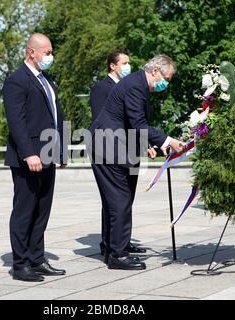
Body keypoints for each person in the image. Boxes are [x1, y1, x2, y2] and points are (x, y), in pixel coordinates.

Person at [89, 54, 185, 270]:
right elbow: (138, 123)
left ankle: (117, 245)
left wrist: (151, 144)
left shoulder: (138, 84)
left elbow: (133, 124)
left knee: (121, 200)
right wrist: (167, 140)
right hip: (108, 149)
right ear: (155, 71)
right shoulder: (135, 85)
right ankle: (117, 255)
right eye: (166, 79)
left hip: (121, 147)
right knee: (119, 200)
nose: (166, 84)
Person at [3, 33, 66, 282]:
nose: (51, 56)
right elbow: (16, 121)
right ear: (32, 52)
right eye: (47, 52)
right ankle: (21, 265)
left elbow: (56, 116)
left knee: (42, 210)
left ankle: (37, 258)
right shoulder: (17, 81)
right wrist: (29, 152)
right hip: (28, 158)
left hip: (48, 153)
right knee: (25, 210)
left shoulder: (46, 80)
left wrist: (60, 151)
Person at [89, 51, 155, 263]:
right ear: (112, 66)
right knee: (116, 201)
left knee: (126, 200)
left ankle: (121, 242)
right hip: (113, 150)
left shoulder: (132, 87)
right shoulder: (102, 89)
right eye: (124, 63)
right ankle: (110, 244)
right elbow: (109, 123)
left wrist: (146, 144)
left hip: (131, 151)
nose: (128, 66)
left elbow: (137, 119)